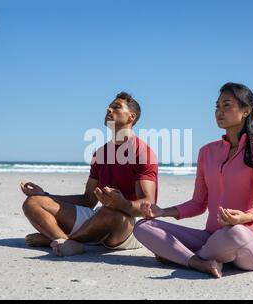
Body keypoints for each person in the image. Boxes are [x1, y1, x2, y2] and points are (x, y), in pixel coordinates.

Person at [134, 83, 253, 278]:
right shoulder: (206, 152)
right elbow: (198, 203)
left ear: (246, 111)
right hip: (211, 239)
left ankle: (183, 257)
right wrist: (163, 212)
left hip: (248, 242)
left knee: (234, 232)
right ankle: (197, 262)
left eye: (226, 105)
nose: (219, 111)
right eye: (217, 107)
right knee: (143, 226)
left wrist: (243, 218)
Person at [20, 92, 158, 256]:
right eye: (109, 106)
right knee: (33, 202)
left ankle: (58, 239)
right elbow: (88, 200)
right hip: (99, 217)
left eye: (116, 107)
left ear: (131, 117)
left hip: (129, 222)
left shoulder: (143, 153)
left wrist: (122, 204)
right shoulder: (100, 154)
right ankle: (64, 240)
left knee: (110, 212)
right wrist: (46, 195)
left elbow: (148, 207)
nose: (108, 109)